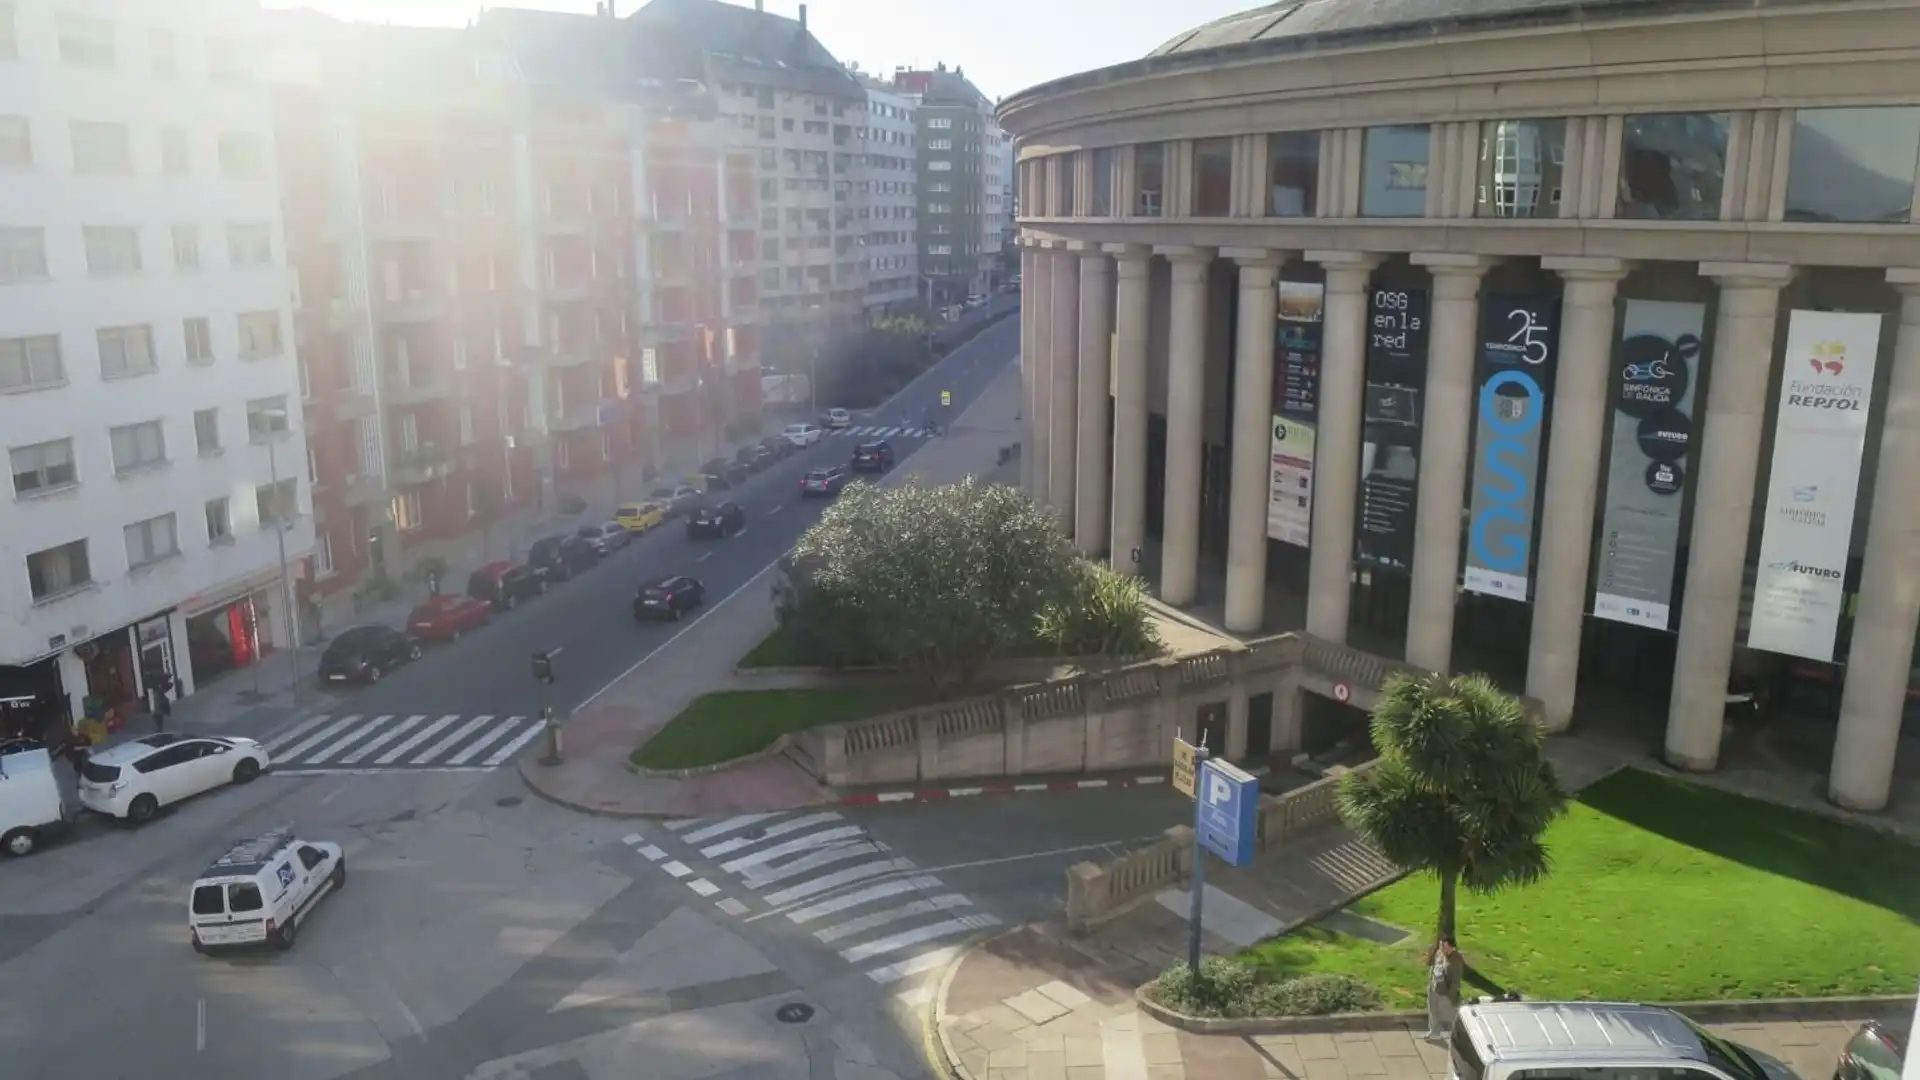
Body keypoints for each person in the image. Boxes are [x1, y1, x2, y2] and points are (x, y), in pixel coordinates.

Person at [1425, 934, 1465, 1042]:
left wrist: (1450, 997)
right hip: (1434, 987)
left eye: (1444, 946)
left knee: (1450, 1016)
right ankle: (1434, 1032)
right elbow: (1433, 967)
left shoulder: (1456, 960)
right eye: (1440, 945)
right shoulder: (1439, 953)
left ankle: (1460, 1035)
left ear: (1451, 947)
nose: (1441, 948)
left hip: (1445, 993)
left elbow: (1456, 981)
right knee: (1433, 1010)